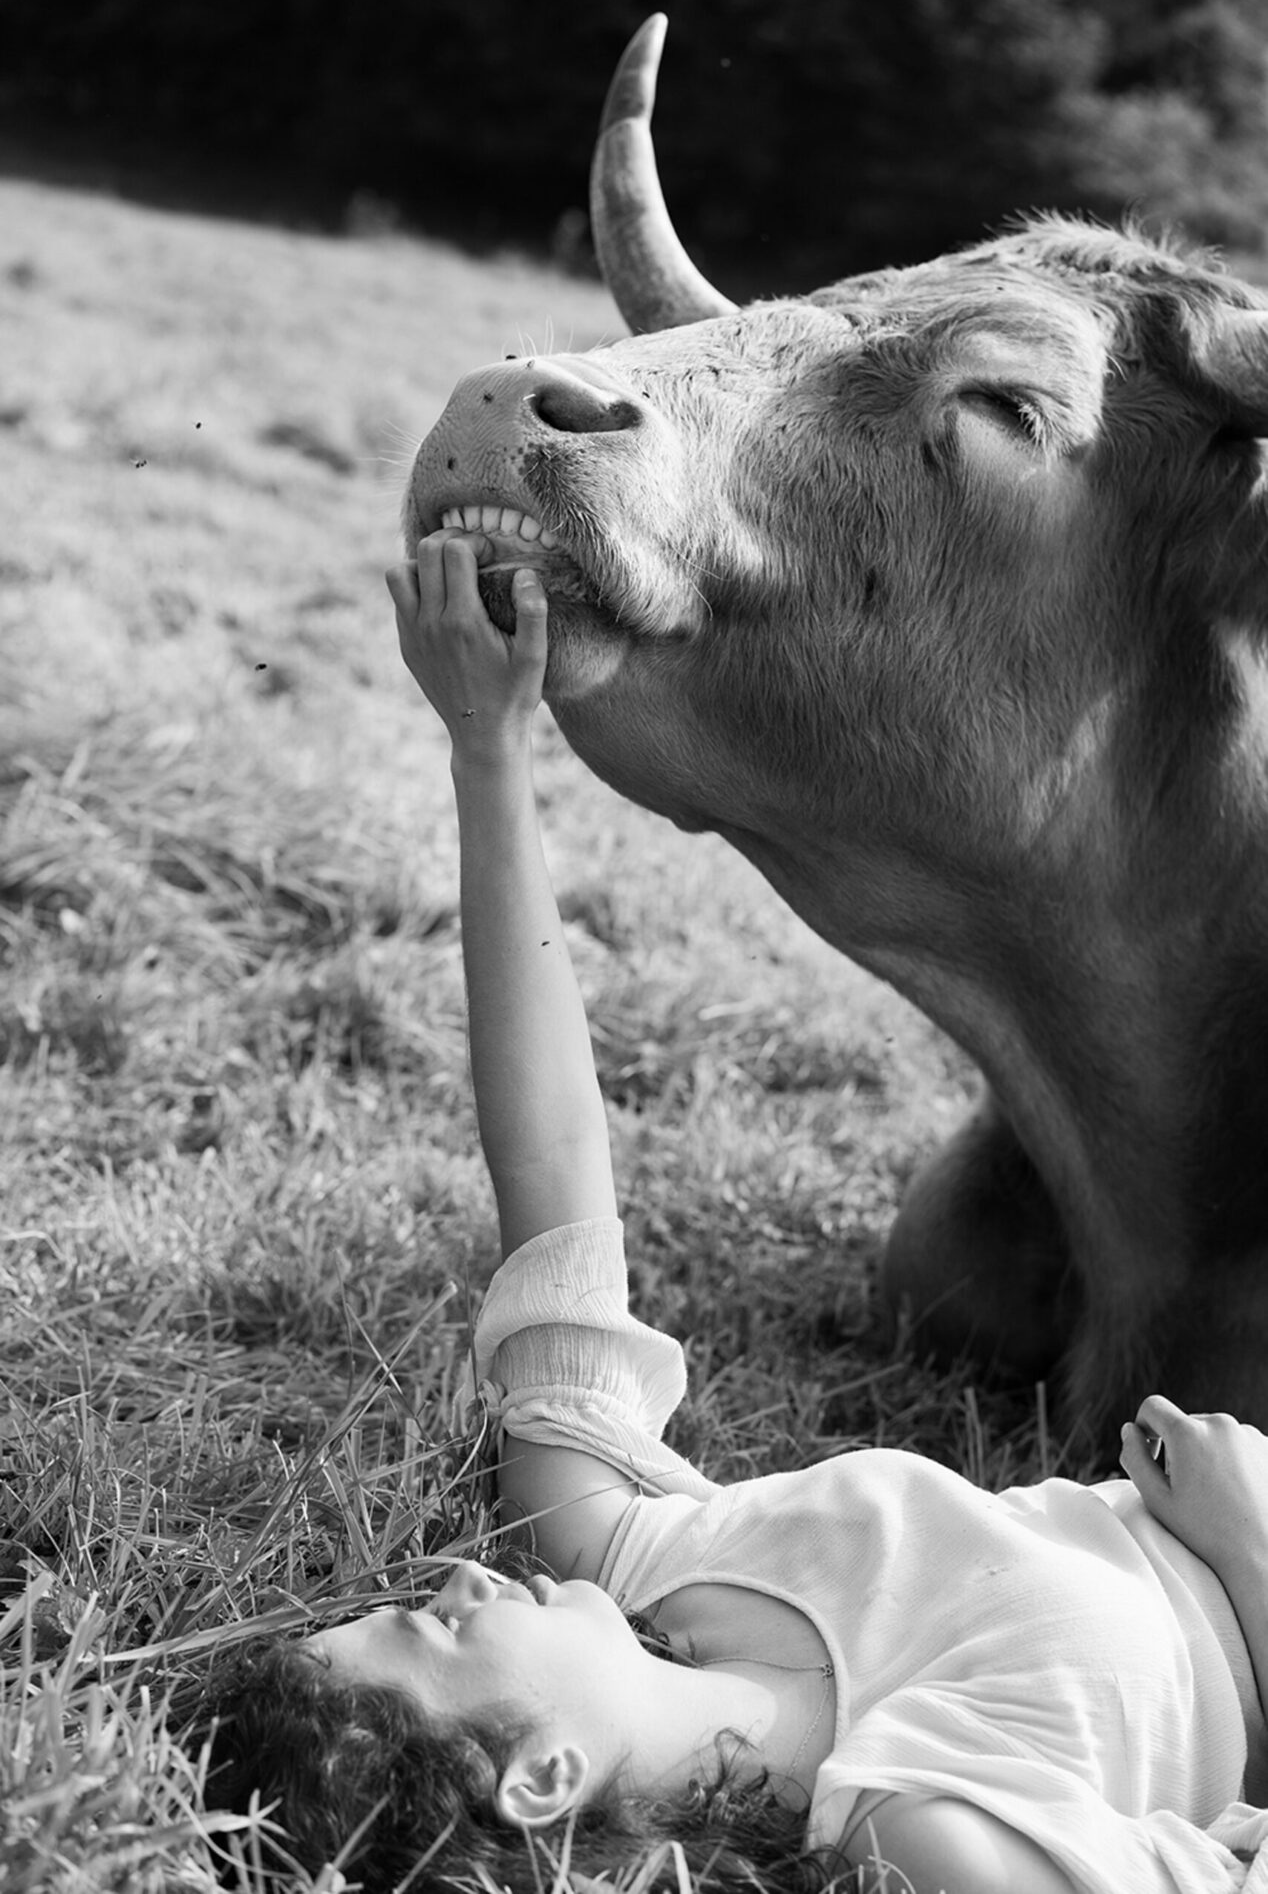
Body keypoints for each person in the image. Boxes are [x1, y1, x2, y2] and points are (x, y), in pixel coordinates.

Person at [193, 532, 1268, 1894]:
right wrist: (1247, 1560)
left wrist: (487, 750)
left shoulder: (631, 1546)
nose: (454, 1582)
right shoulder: (931, 1824)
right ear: (541, 1778)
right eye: (438, 1634)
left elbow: (552, 1174)